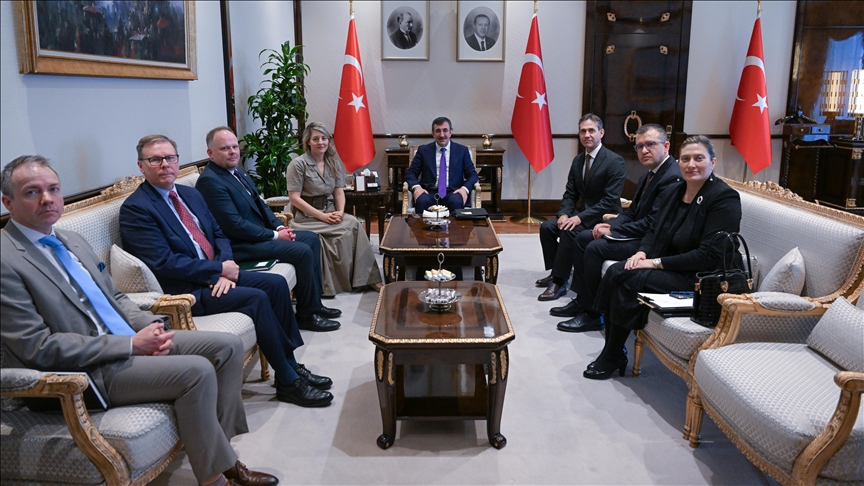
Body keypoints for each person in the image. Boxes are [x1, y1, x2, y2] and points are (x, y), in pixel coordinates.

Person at [0, 155, 278, 486]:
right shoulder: (6, 259)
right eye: (32, 192)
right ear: (8, 202)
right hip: (85, 370)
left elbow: (115, 297)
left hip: (125, 340)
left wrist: (148, 326)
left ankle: (224, 454)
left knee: (227, 347)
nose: (47, 199)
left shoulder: (70, 240)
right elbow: (37, 346)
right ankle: (215, 479)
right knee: (197, 372)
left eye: (53, 189)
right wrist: (131, 345)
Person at [119, 135, 334, 407]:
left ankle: (291, 365)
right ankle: (288, 382)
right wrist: (216, 271)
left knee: (276, 285)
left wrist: (224, 266)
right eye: (155, 159)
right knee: (257, 298)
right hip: (187, 289)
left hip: (216, 273)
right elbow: (164, 262)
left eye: (170, 158)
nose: (165, 164)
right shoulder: (136, 209)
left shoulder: (189, 194)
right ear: (141, 165)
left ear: (177, 161)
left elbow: (218, 234)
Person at [584, 135, 742, 380]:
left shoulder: (724, 198)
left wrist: (655, 263)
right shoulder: (674, 191)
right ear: (679, 162)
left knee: (628, 279)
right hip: (671, 265)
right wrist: (641, 252)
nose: (691, 164)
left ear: (712, 162)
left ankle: (613, 353)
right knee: (617, 270)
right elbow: (654, 231)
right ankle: (612, 348)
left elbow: (708, 255)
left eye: (699, 158)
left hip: (701, 277)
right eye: (685, 159)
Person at [195, 126, 340, 332]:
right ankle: (307, 316)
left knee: (311, 239)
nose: (232, 152)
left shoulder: (238, 171)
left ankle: (314, 304)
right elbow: (234, 225)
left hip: (256, 236)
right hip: (239, 245)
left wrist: (280, 226)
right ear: (210, 153)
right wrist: (275, 235)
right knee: (301, 251)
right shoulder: (210, 181)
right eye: (225, 148)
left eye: (234, 146)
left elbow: (261, 205)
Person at [556, 124, 681, 332]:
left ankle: (593, 314)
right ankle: (583, 300)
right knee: (583, 237)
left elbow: (653, 222)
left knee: (595, 248)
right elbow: (632, 212)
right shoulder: (648, 174)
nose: (644, 150)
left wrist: (614, 232)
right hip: (639, 233)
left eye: (650, 144)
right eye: (639, 146)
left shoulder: (671, 178)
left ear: (666, 146)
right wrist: (609, 225)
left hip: (651, 242)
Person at [286, 122, 383, 296]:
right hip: (306, 217)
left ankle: (369, 278)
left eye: (324, 138)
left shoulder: (333, 163)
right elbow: (294, 198)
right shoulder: (298, 164)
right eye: (315, 139)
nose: (320, 142)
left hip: (330, 210)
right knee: (328, 236)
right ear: (308, 141)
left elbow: (339, 192)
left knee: (353, 224)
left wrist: (340, 211)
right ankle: (329, 286)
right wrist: (322, 217)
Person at [537, 113, 625, 301]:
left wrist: (578, 218)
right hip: (581, 212)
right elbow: (570, 193)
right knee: (547, 228)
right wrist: (563, 214)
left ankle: (559, 282)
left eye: (591, 130)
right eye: (583, 131)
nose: (587, 135)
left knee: (569, 230)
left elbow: (610, 200)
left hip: (603, 216)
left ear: (601, 133)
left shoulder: (614, 161)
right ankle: (556, 271)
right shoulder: (578, 160)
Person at [404, 116, 479, 213]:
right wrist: (417, 187)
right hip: (429, 191)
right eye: (438, 131)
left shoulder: (462, 151)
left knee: (456, 201)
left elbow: (472, 175)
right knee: (421, 201)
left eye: (445, 130)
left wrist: (464, 189)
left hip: (453, 191)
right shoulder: (423, 151)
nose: (442, 135)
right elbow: (410, 173)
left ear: (450, 132)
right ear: (433, 133)